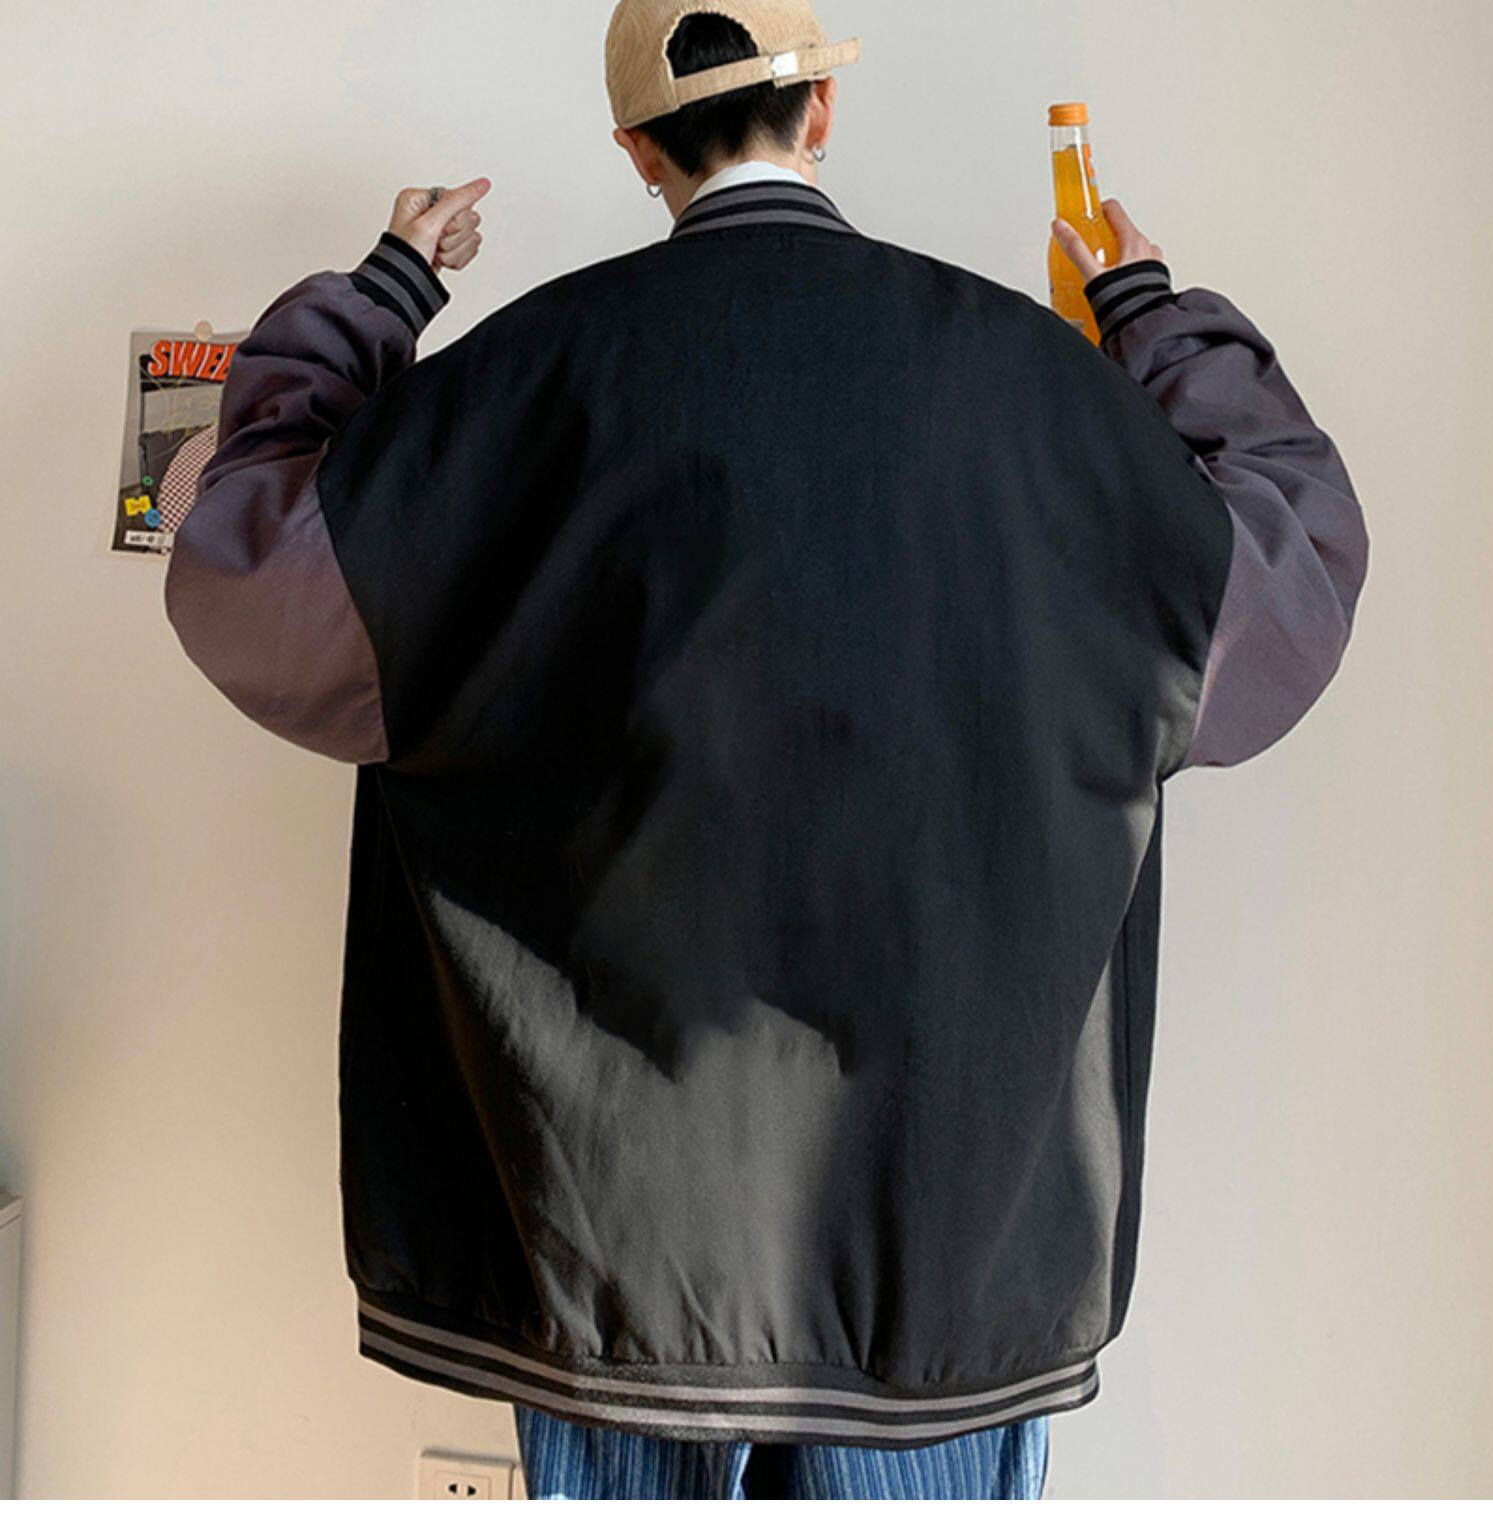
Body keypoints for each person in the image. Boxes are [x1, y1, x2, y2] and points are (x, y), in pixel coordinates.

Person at [162, 0, 1369, 1503]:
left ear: (635, 150)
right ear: (821, 113)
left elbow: (247, 571)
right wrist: (1143, 309)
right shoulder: (1044, 391)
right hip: (946, 1260)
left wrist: (387, 288)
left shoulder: (514, 384)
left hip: (613, 1265)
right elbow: (1290, 576)